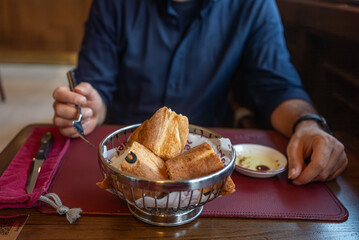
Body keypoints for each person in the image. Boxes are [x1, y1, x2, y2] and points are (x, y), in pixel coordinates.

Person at [52, 0, 348, 185]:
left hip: (205, 164)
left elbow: (278, 86)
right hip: (122, 162)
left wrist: (307, 125)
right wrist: (87, 109)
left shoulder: (253, 5)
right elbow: (97, 91)